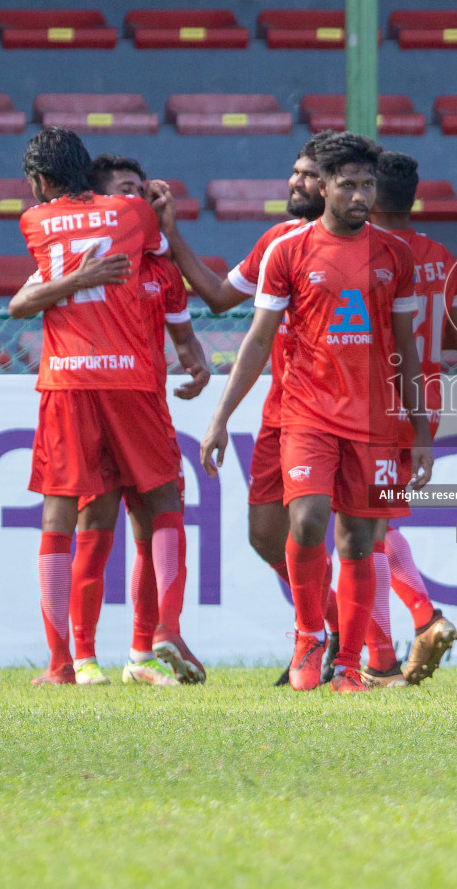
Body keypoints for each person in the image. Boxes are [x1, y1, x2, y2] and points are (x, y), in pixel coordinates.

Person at [198, 133, 434, 693]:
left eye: (368, 185)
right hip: (307, 412)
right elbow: (257, 340)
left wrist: (419, 428)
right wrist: (220, 416)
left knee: (357, 541)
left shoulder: (395, 255)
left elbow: (405, 347)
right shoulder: (288, 250)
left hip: (376, 420)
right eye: (348, 184)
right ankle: (309, 635)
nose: (360, 195)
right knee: (306, 522)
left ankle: (349, 666)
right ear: (324, 186)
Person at [148, 135, 342, 685]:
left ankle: (348, 645)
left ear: (331, 186)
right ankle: (330, 628)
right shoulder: (279, 241)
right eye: (294, 172)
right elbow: (215, 294)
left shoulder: (359, 249)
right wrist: (171, 234)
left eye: (306, 175)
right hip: (283, 410)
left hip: (337, 416)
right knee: (265, 535)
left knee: (341, 531)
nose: (294, 183)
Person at [12, 128, 182, 686]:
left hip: (65, 381)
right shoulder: (132, 214)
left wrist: (72, 278)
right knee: (158, 503)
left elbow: (22, 301)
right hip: (131, 379)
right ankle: (154, 641)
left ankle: (68, 661)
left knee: (63, 510)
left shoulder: (34, 223)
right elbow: (162, 252)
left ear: (39, 181)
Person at [363, 151, 457, 686]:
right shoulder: (443, 257)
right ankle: (399, 636)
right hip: (423, 401)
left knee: (366, 527)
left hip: (375, 401)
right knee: (378, 522)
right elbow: (456, 337)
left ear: (372, 197)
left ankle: (409, 630)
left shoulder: (372, 253)